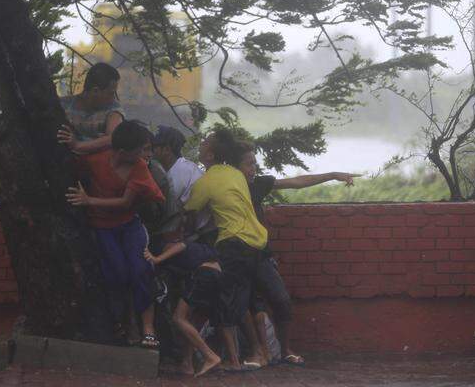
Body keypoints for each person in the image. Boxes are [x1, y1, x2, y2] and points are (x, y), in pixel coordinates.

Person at [233, 140, 360, 366]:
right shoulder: (228, 188)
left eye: (255, 163)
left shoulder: (258, 185)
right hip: (237, 254)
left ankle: (285, 350)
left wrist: (333, 175)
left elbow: (297, 182)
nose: (253, 169)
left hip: (262, 254)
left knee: (281, 300)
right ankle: (258, 353)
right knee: (250, 304)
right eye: (248, 164)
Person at [65, 120, 164, 349]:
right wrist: (75, 144)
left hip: (129, 225)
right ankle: (125, 322)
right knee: (117, 274)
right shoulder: (97, 159)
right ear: (123, 152)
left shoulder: (139, 167)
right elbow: (76, 153)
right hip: (102, 227)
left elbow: (125, 202)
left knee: (141, 269)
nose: (144, 154)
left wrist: (88, 200)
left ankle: (148, 328)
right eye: (140, 149)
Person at [183, 130, 269, 371]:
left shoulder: (206, 182)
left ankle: (236, 358)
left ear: (209, 155)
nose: (201, 144)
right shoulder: (234, 173)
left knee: (226, 301)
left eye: (205, 143)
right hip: (256, 241)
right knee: (241, 300)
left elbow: (190, 212)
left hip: (233, 242)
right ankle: (249, 354)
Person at [144, 241, 222, 377]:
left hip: (203, 275)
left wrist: (157, 259)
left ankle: (210, 357)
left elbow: (181, 245)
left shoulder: (178, 246)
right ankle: (187, 365)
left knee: (178, 318)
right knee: (190, 323)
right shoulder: (200, 251)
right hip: (217, 277)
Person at [57, 62, 124, 154]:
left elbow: (113, 138)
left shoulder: (113, 108)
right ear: (95, 91)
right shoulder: (64, 104)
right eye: (111, 93)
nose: (113, 98)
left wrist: (77, 145)